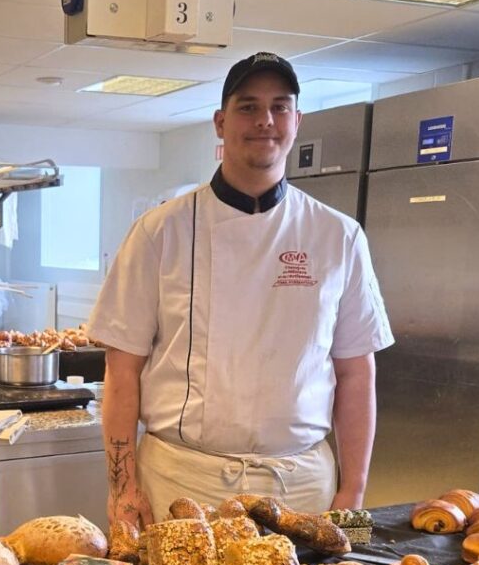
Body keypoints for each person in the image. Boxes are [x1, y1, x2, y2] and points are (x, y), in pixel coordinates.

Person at [87, 52, 394, 527]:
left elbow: (356, 374)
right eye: (248, 107)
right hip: (181, 481)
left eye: (280, 106)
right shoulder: (159, 232)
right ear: (220, 122)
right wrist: (122, 489)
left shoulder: (339, 236)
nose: (265, 120)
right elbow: (122, 370)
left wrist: (353, 494)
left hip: (304, 485)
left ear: (297, 121)